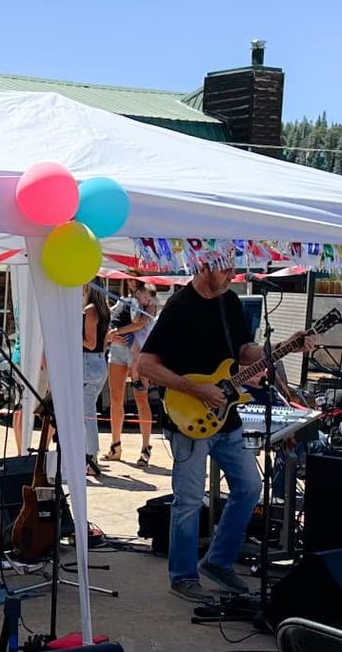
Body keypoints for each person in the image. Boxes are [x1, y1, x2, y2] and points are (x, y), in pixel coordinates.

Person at [134, 249, 265, 602]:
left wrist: (276, 350)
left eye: (235, 270)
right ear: (204, 266)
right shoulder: (179, 307)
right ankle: (182, 575)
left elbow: (242, 351)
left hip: (227, 415)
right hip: (187, 415)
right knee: (189, 499)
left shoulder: (231, 304)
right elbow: (145, 365)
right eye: (226, 270)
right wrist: (195, 388)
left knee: (250, 487)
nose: (231, 276)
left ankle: (219, 561)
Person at [106, 282, 157, 466]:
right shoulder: (123, 299)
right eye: (127, 277)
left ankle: (145, 447)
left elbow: (141, 323)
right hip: (118, 349)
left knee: (141, 398)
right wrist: (111, 335)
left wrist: (117, 331)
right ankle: (115, 444)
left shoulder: (149, 298)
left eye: (133, 277)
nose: (130, 281)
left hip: (137, 351)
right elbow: (112, 319)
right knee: (116, 398)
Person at [81, 283, 112, 477]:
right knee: (88, 413)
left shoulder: (90, 310)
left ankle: (91, 457)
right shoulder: (104, 309)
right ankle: (89, 456)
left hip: (88, 362)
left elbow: (90, 343)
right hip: (99, 361)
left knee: (87, 415)